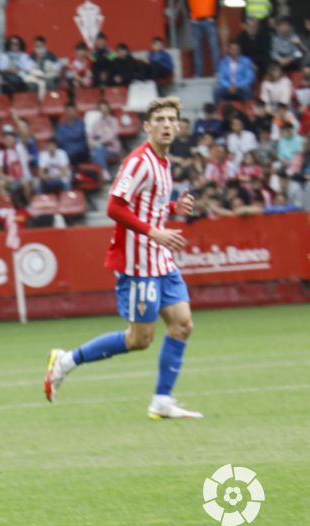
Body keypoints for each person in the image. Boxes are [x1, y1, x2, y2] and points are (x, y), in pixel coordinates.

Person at [45, 97, 203, 420]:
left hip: (159, 259)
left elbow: (149, 204)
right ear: (147, 127)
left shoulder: (163, 162)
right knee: (139, 339)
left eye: (171, 119)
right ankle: (66, 361)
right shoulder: (138, 161)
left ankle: (162, 400)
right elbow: (114, 207)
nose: (166, 125)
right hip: (138, 264)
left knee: (183, 324)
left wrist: (174, 208)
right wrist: (155, 232)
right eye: (159, 119)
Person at [188, 0, 219, 77]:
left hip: (209, 19)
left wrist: (215, 16)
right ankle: (198, 73)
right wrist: (190, 16)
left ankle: (217, 71)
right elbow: (186, 3)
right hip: (196, 20)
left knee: (213, 47)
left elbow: (217, 2)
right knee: (197, 48)